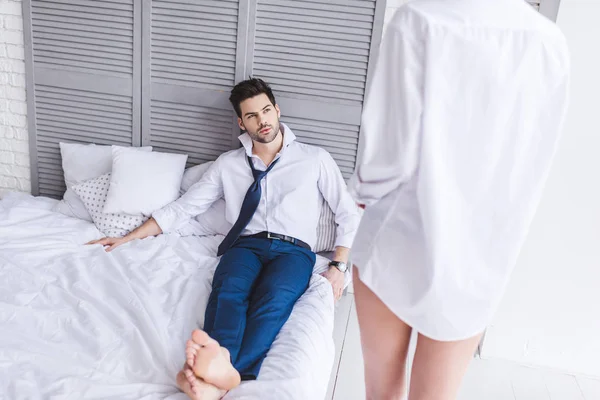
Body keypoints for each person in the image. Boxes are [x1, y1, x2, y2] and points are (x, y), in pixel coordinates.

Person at [347, 0, 570, 399]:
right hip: (478, 260)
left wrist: (360, 193)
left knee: (381, 390)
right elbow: (535, 161)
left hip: (398, 241)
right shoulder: (549, 42)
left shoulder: (419, 19)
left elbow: (386, 161)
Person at [88, 78, 361, 399]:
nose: (262, 121)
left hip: (294, 251)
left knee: (274, 299)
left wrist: (338, 266)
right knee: (228, 293)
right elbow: (184, 208)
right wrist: (128, 237)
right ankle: (217, 369)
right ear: (241, 122)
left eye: (266, 111)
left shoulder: (314, 159)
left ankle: (225, 372)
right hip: (246, 245)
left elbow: (347, 214)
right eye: (252, 116)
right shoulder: (228, 165)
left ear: (277, 110)